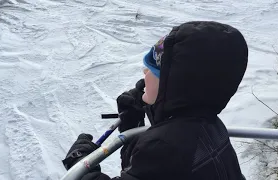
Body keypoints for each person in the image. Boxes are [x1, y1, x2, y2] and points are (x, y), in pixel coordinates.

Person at [62, 21, 248, 180]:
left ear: (174, 86)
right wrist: (133, 126)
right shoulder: (210, 126)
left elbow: (159, 157)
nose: (144, 74)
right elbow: (150, 171)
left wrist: (81, 165)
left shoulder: (165, 147)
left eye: (153, 70)